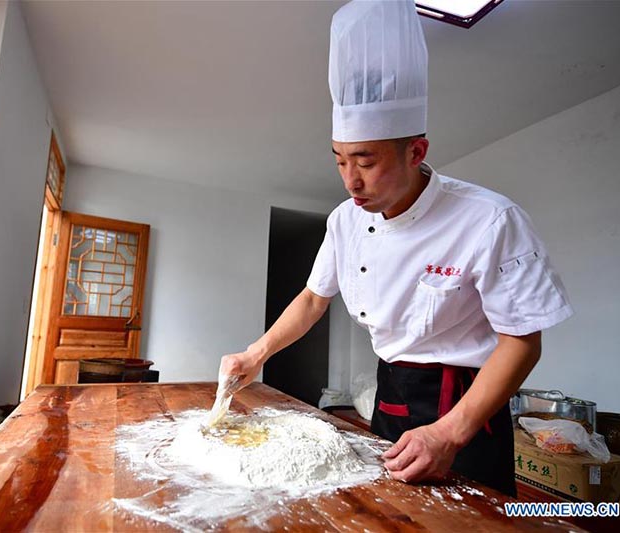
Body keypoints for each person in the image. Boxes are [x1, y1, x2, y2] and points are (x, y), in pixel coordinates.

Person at [218, 0, 573, 497]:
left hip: (465, 404)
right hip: (390, 390)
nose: (350, 181)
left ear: (416, 151)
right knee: (392, 513)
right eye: (340, 160)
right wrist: (255, 354)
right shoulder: (345, 220)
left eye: (365, 160)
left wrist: (450, 432)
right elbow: (314, 298)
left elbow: (522, 340)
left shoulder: (489, 219)